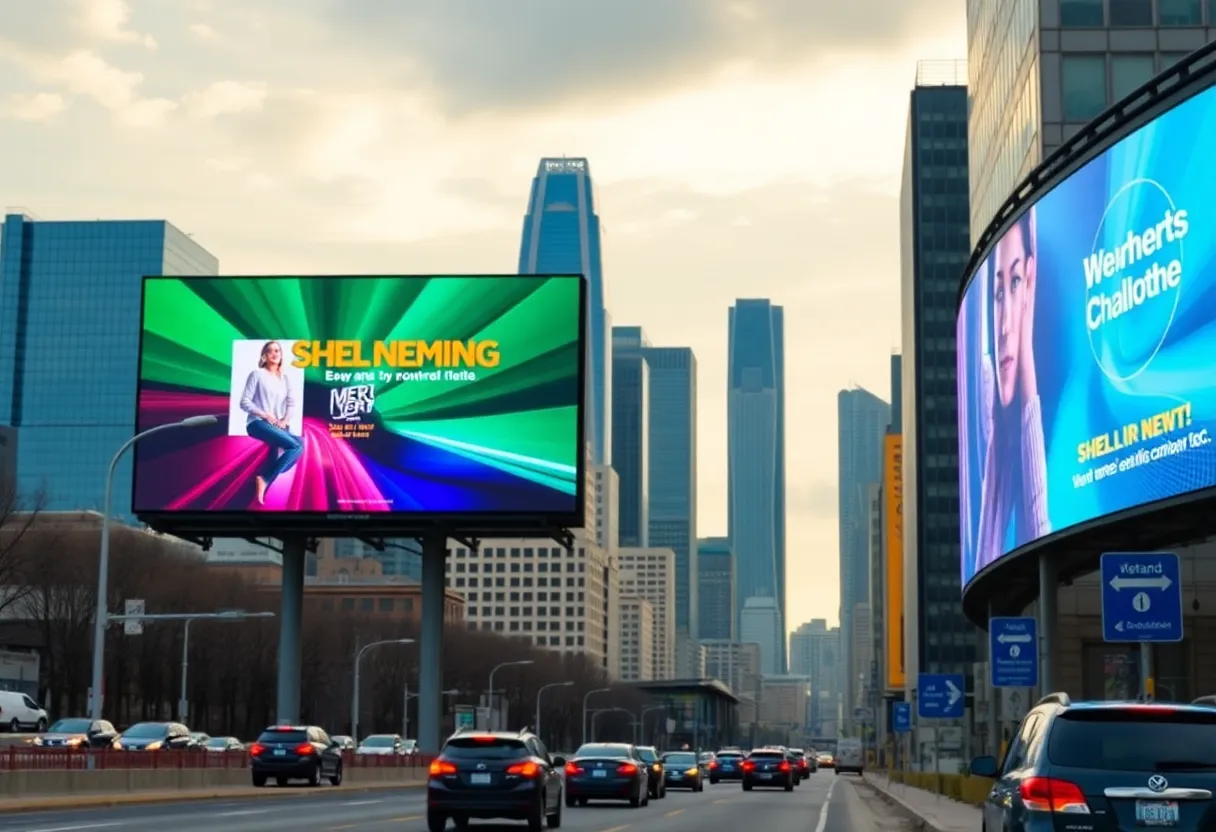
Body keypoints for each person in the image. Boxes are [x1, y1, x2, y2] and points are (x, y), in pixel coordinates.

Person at [973, 205, 1050, 575]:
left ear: (1032, 281)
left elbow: (1040, 529)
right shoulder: (985, 384)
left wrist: (1027, 352)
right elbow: (984, 559)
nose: (1004, 327)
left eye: (1016, 282)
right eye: (998, 292)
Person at [239, 340, 303, 504]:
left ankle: (271, 472)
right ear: (264, 356)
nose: (275, 354)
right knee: (296, 446)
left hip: (276, 425)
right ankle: (265, 479)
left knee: (300, 443)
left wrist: (284, 420)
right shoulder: (257, 374)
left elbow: (291, 403)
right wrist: (265, 414)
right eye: (271, 351)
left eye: (278, 351)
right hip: (257, 423)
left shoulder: (285, 379)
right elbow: (244, 402)